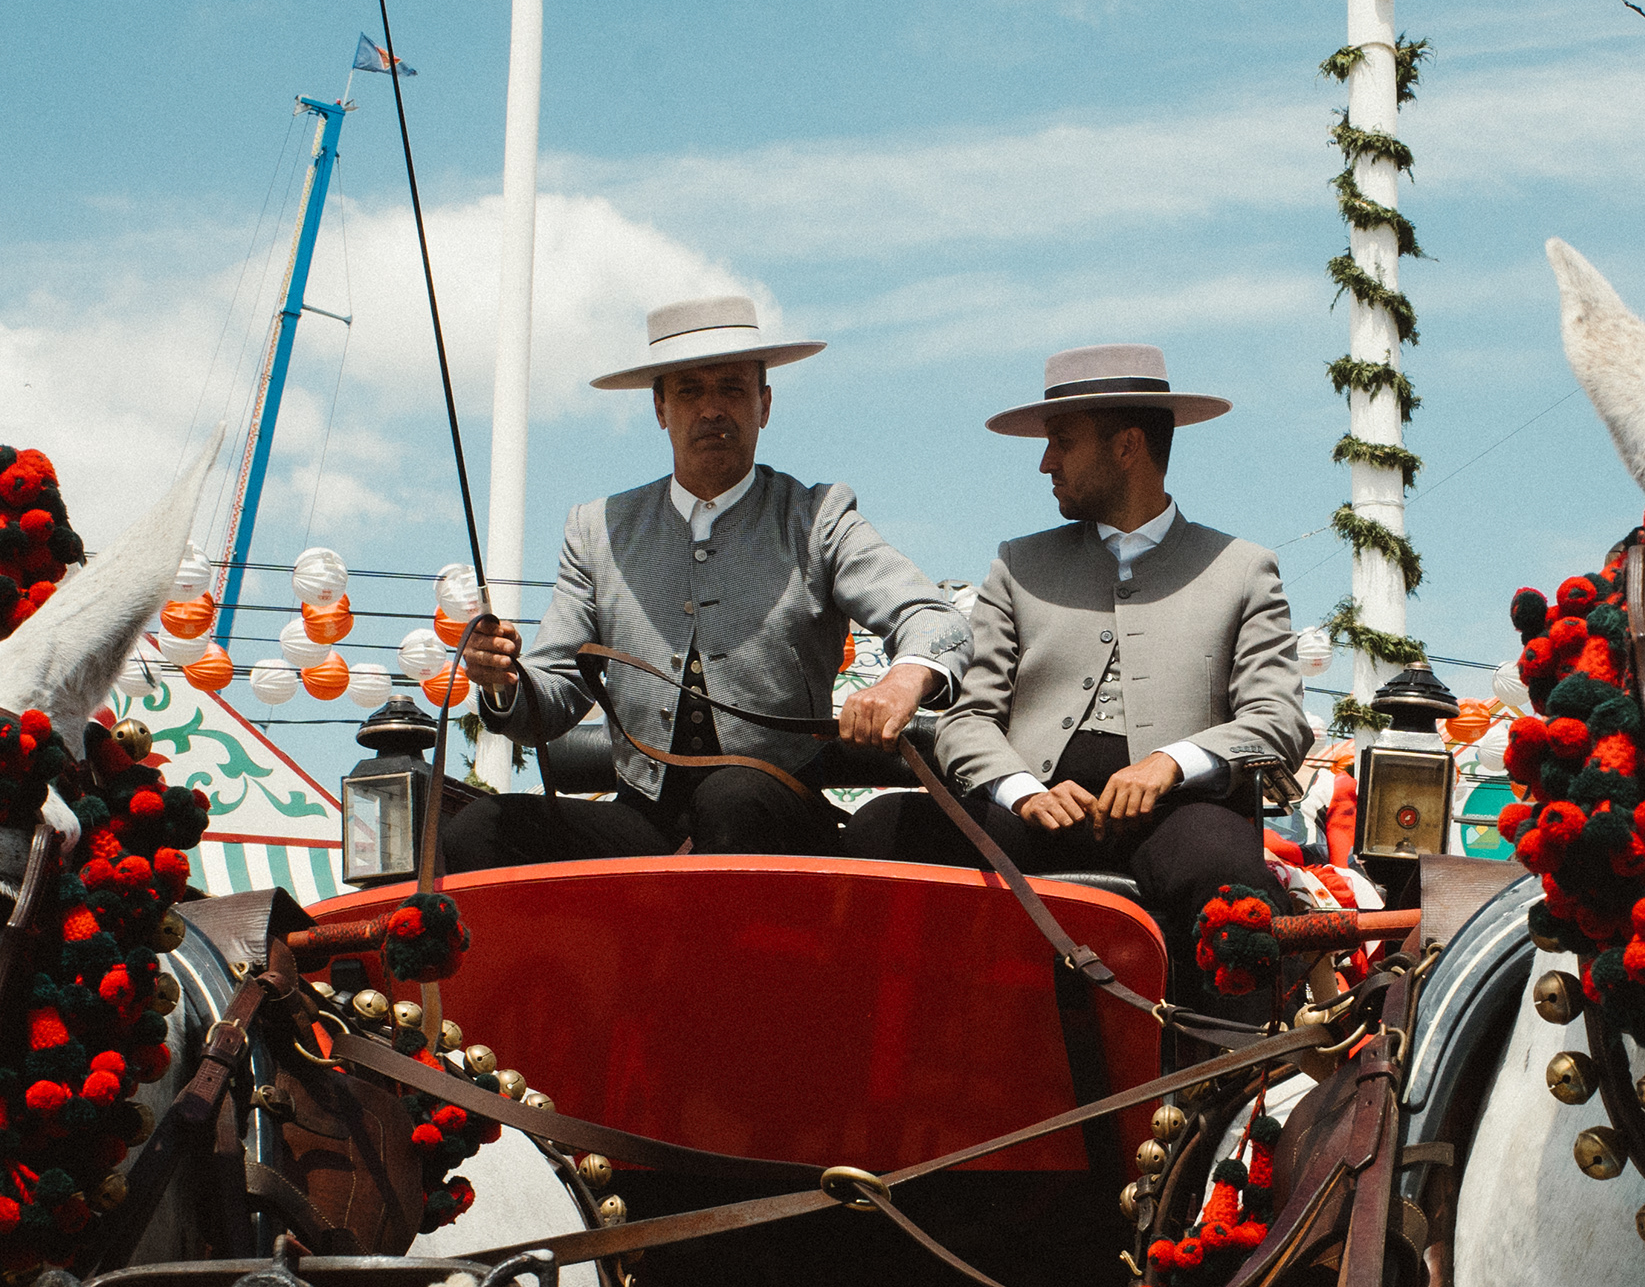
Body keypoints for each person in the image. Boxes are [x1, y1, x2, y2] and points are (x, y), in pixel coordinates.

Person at [843, 344, 1311, 989]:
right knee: (878, 831)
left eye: (1061, 441)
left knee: (1230, 891)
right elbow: (969, 717)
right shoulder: (1019, 564)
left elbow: (1277, 719)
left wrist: (1168, 764)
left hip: (1177, 814)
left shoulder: (1242, 569)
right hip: (1030, 810)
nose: (1045, 462)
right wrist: (1022, 791)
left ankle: (1209, 1080)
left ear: (1126, 447)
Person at [449, 294, 968, 865]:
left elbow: (934, 618)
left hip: (779, 815)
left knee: (734, 799)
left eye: (731, 389)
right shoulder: (597, 529)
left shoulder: (817, 516)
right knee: (479, 828)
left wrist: (900, 684)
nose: (711, 409)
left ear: (764, 405)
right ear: (660, 408)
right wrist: (502, 680)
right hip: (643, 820)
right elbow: (553, 695)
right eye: (690, 391)